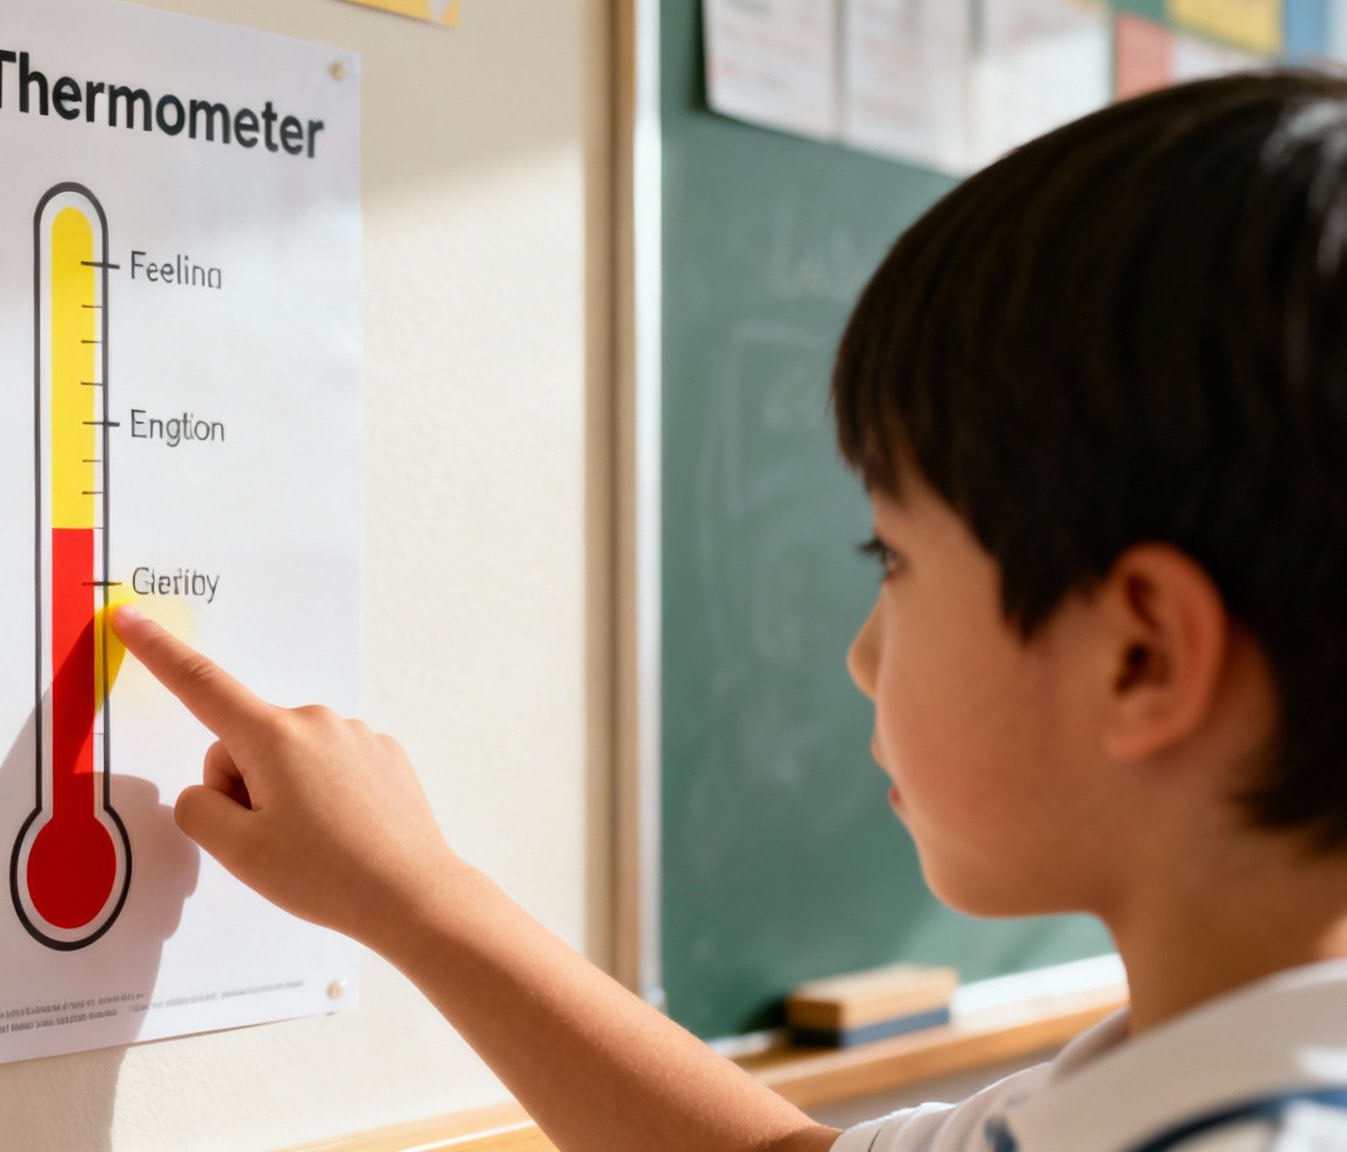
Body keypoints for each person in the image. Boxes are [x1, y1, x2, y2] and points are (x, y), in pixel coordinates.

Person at [107, 70, 1347, 1151]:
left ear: (1138, 656)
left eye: (894, 558)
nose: (863, 657)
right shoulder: (1176, 1070)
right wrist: (415, 898)